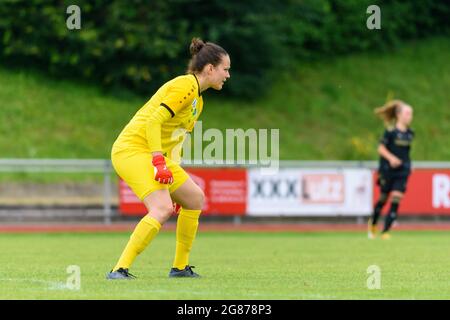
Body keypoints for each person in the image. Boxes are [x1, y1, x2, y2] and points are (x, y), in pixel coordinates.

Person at [107, 38, 231, 279]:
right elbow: (154, 121)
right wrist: (157, 161)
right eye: (225, 69)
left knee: (194, 198)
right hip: (132, 149)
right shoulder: (185, 86)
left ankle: (180, 268)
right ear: (210, 69)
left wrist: (173, 176)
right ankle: (119, 269)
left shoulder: (198, 101)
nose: (227, 75)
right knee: (162, 208)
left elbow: (176, 140)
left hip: (153, 153)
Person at [368, 100, 414, 240]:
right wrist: (391, 158)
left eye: (411, 114)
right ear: (399, 115)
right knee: (383, 198)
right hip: (388, 170)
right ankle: (374, 222)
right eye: (407, 113)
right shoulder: (390, 132)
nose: (410, 116)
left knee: (396, 197)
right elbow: (380, 149)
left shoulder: (410, 134)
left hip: (403, 171)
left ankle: (386, 231)